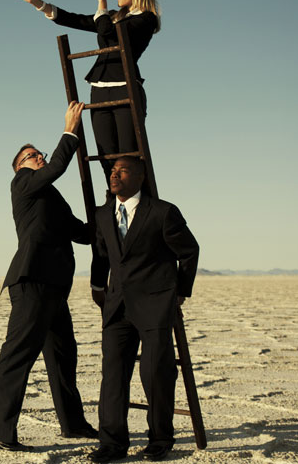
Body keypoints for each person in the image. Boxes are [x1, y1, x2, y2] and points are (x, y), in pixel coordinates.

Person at [0, 101, 98, 452]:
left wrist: (113, 217)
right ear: (20, 167)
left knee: (63, 356)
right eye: (33, 156)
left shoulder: (49, 196)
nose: (40, 157)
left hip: (54, 287)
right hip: (32, 282)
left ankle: (73, 425)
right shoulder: (23, 184)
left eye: (40, 154)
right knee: (18, 355)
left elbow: (80, 232)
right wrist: (70, 129)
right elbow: (58, 167)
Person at [86, 156, 199, 462]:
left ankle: (160, 439)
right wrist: (98, 288)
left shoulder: (162, 212)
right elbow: (101, 255)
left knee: (155, 374)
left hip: (154, 305)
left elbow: (189, 251)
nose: (114, 174)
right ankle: (112, 444)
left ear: (140, 176)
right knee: (113, 376)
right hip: (117, 306)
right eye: (112, 171)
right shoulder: (104, 214)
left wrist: (179, 293)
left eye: (122, 170)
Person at [12, 0, 161, 178]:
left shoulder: (146, 19)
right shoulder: (111, 17)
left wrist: (101, 4)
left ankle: (136, 201)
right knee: (105, 154)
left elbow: (108, 34)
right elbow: (73, 19)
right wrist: (36, 2)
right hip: (99, 90)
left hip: (125, 89)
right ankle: (113, 201)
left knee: (128, 155)